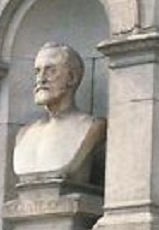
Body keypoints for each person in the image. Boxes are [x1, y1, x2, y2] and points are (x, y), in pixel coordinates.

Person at [12, 42, 106, 186]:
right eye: (37, 71)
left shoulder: (93, 127)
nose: (41, 79)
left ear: (71, 78)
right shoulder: (24, 134)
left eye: (50, 70)